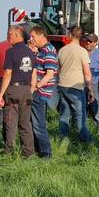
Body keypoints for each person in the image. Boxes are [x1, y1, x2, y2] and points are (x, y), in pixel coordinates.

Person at [0, 26, 36, 157]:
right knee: (25, 123)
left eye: (9, 35)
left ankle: (9, 153)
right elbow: (34, 74)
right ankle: (28, 153)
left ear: (17, 35)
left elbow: (8, 74)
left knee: (10, 122)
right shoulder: (31, 52)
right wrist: (31, 90)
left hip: (14, 89)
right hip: (26, 90)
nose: (8, 37)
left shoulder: (11, 52)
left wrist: (1, 94)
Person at [57, 25, 94, 143]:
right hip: (76, 87)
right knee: (80, 115)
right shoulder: (82, 52)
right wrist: (90, 89)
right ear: (81, 37)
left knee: (65, 114)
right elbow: (87, 73)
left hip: (63, 85)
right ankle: (85, 140)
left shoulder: (62, 50)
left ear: (70, 35)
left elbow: (58, 69)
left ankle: (63, 139)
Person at [29, 26, 58, 158]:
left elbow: (50, 74)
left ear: (41, 36)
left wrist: (37, 87)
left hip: (40, 92)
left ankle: (46, 153)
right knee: (35, 123)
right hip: (40, 91)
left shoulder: (49, 51)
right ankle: (38, 150)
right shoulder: (42, 50)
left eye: (33, 36)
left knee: (38, 124)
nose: (31, 39)